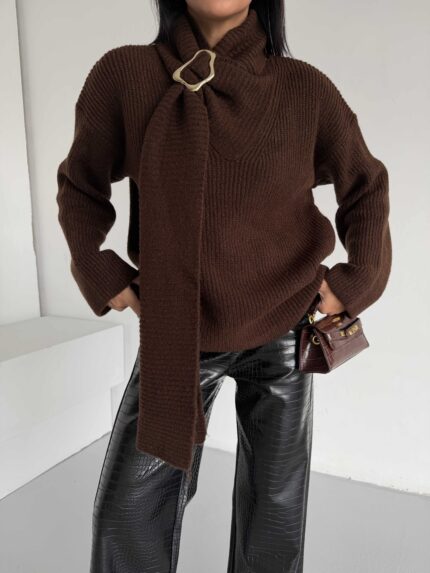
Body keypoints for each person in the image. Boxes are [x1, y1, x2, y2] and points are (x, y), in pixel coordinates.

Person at [56, 1, 392, 571]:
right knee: (128, 511)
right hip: (178, 332)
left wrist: (357, 280)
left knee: (274, 510)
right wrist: (99, 269)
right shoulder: (127, 75)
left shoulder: (304, 89)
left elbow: (366, 184)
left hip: (285, 326)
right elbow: (80, 185)